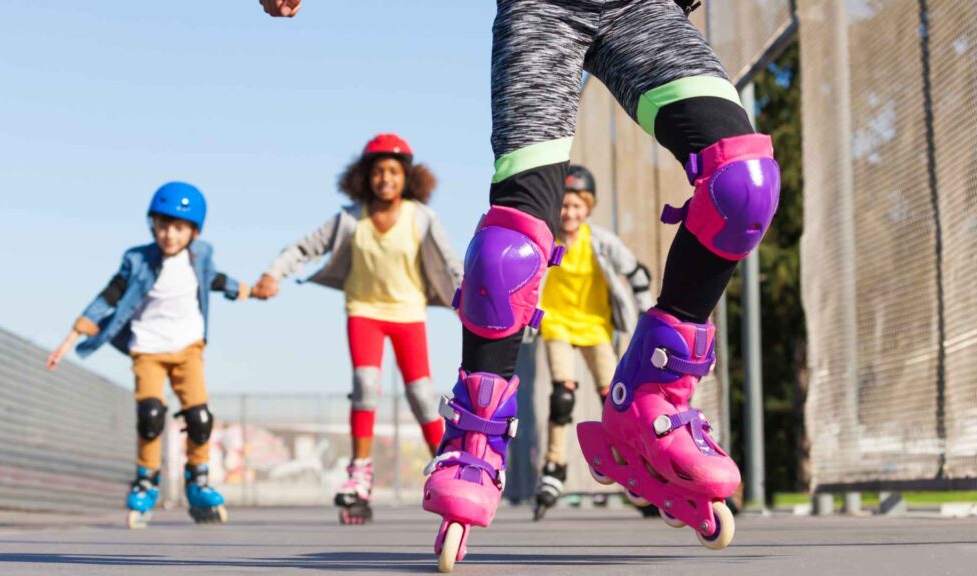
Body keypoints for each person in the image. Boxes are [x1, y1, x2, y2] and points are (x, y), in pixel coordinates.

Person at [258, 0, 780, 568]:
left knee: (743, 184)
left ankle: (652, 395)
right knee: (513, 243)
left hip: (644, 9)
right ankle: (475, 436)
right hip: (543, 11)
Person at [251, 134, 462, 525]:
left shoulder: (422, 218)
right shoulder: (349, 218)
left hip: (409, 312)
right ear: (364, 177)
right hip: (363, 310)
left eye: (394, 172)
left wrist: (475, 302)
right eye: (378, 171)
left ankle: (447, 466)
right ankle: (359, 474)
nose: (385, 179)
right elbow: (302, 248)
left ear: (408, 177)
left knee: (420, 394)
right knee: (366, 384)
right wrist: (272, 274)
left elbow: (452, 265)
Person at [47, 182, 249, 528]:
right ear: (152, 225)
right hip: (147, 349)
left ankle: (197, 480)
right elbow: (111, 293)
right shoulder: (137, 259)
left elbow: (213, 279)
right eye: (162, 225)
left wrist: (243, 290)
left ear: (193, 231)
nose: (169, 235)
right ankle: (145, 480)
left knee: (199, 417)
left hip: (189, 347)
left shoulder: (201, 255)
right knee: (152, 413)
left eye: (179, 227)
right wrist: (76, 331)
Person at [533, 165, 652, 521]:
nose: (569, 214)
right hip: (555, 324)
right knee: (563, 394)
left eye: (577, 207)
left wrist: (646, 317)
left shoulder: (600, 240)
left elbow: (637, 273)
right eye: (563, 206)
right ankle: (555, 467)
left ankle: (637, 463)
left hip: (596, 327)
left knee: (615, 399)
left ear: (589, 208)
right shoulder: (544, 239)